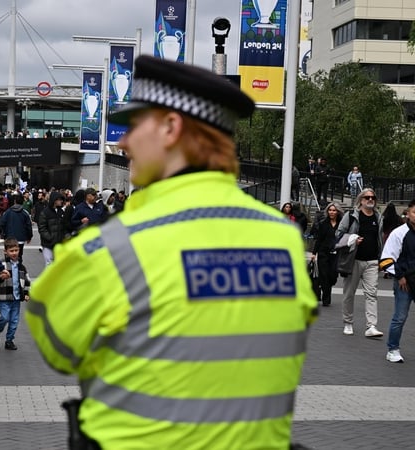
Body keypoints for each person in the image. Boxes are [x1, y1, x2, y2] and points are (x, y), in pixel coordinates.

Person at [25, 55, 317, 449]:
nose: (122, 141)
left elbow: (56, 347)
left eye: (132, 125)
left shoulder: (113, 248)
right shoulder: (283, 238)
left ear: (170, 127)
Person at [336, 188, 384, 338]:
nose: (370, 200)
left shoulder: (378, 217)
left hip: (372, 261)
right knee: (349, 293)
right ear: (361, 200)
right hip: (354, 260)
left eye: (373, 197)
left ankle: (371, 326)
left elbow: (380, 238)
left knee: (372, 294)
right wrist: (353, 240)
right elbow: (339, 234)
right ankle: (348, 322)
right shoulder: (351, 216)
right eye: (367, 197)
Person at [379, 199, 415, 363]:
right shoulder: (399, 233)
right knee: (400, 317)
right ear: (408, 213)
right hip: (404, 282)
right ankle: (393, 349)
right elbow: (386, 259)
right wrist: (399, 276)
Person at [0, 238, 31, 351]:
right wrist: (0, 277)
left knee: (14, 320)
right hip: (5, 297)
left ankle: (9, 340)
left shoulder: (21, 267)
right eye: (11, 251)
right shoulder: (1, 265)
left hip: (17, 298)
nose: (14, 253)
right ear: (5, 251)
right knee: (4, 317)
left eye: (16, 250)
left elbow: (27, 281)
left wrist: (26, 293)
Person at [312, 203, 343, 306]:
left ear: (338, 212)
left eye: (334, 210)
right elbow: (319, 239)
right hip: (323, 252)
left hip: (335, 254)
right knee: (324, 275)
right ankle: (326, 299)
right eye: (330, 210)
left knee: (332, 276)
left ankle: (324, 287)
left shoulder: (341, 224)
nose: (332, 212)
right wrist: (314, 253)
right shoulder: (323, 223)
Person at [37, 190, 71, 266]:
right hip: (48, 244)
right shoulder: (45, 213)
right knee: (49, 263)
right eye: (59, 199)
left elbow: (64, 226)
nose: (61, 201)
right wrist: (50, 237)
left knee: (57, 264)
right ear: (54, 200)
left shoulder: (61, 212)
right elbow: (42, 228)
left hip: (59, 243)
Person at [0, 193, 32, 262]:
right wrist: (29, 237)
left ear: (14, 201)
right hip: (21, 239)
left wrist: (2, 234)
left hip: (9, 238)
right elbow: (29, 226)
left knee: (8, 256)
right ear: (23, 202)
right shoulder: (25, 213)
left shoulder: (8, 212)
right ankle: (19, 270)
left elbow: (2, 223)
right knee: (19, 255)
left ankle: (9, 270)